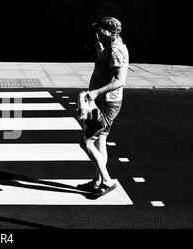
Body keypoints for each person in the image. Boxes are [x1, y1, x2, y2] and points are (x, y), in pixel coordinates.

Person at [78, 17, 129, 197]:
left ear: (110, 32)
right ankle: (97, 181)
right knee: (101, 140)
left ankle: (106, 180)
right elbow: (105, 68)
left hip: (106, 103)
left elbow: (119, 80)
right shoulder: (110, 47)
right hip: (103, 101)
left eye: (101, 30)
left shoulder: (116, 50)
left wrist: (96, 92)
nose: (98, 32)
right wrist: (100, 48)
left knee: (86, 142)